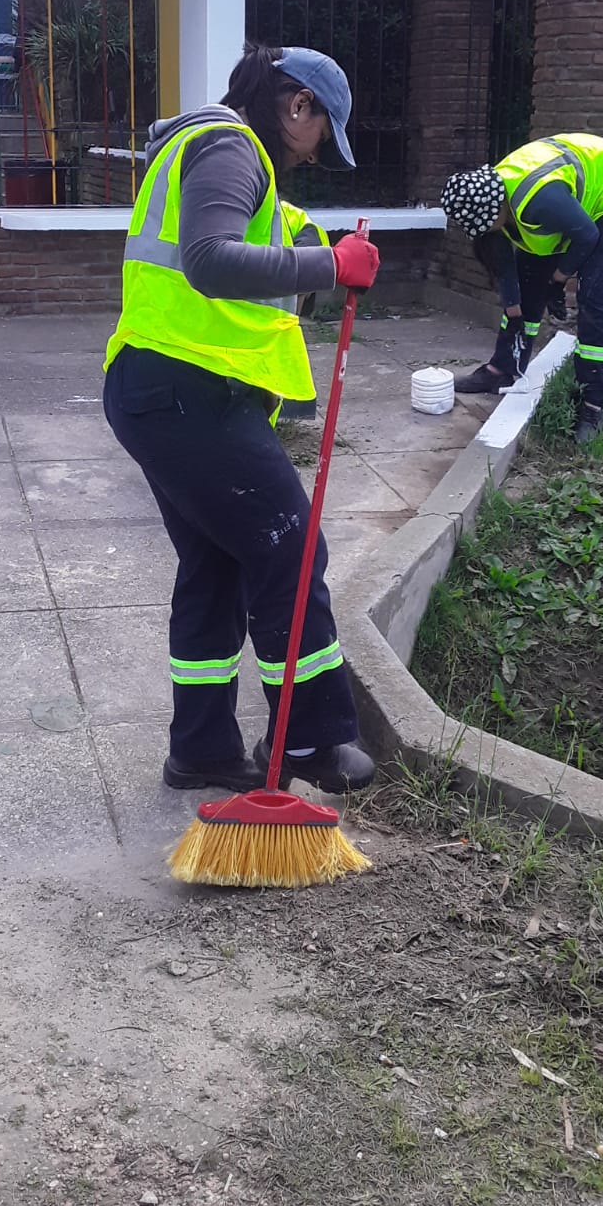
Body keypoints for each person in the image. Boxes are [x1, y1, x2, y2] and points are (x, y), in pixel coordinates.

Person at [103, 44, 381, 796]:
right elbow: (210, 259)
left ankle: (202, 749)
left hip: (159, 388)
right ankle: (311, 743)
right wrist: (330, 267)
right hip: (187, 392)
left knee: (218, 565)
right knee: (291, 551)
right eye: (322, 130)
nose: (317, 149)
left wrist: (320, 257)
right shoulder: (232, 146)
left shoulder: (213, 147)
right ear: (298, 106)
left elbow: (253, 253)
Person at [440, 132, 603, 445]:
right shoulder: (491, 197)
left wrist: (559, 280)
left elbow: (587, 236)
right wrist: (514, 308)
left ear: (496, 210)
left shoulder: (537, 202)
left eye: (485, 227)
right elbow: (502, 260)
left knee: (593, 294)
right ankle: (502, 369)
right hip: (568, 202)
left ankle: (592, 405)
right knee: (528, 283)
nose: (484, 234)